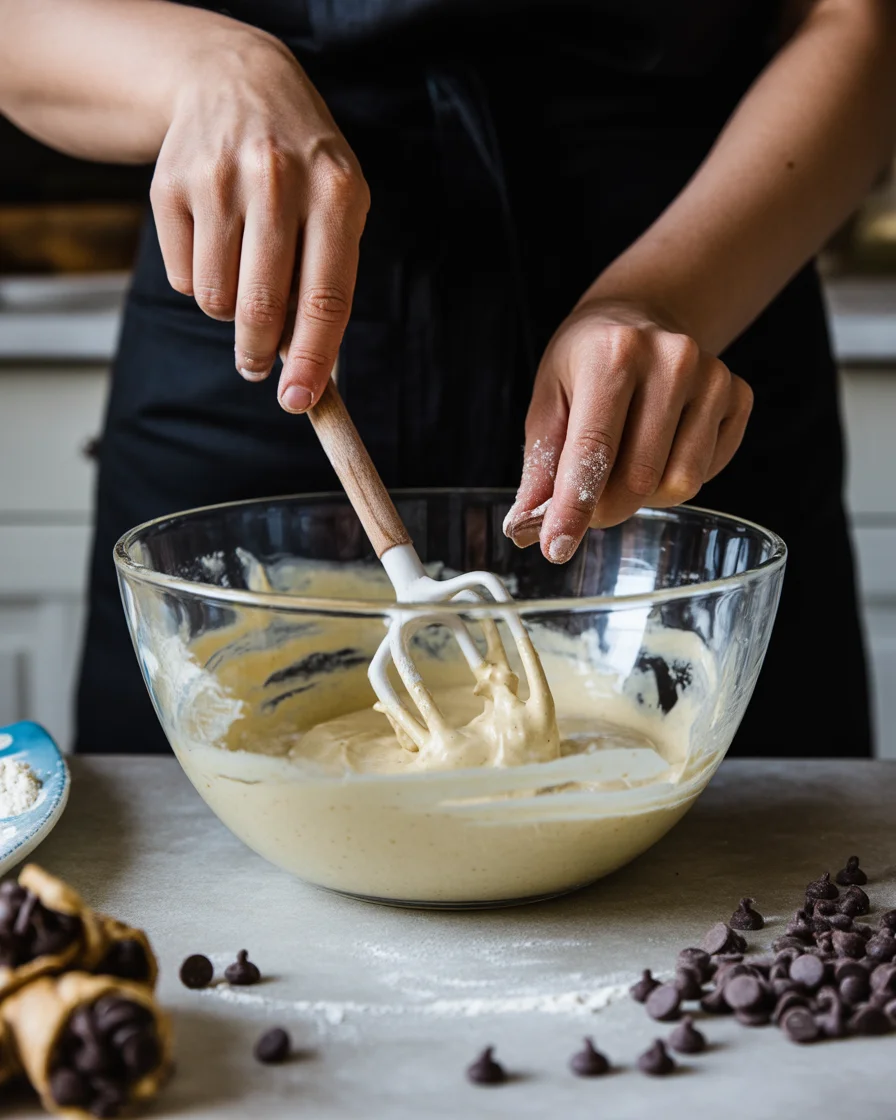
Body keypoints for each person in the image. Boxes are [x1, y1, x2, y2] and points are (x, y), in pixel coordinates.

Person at [1, 0, 893, 758]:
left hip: (695, 302)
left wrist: (664, 301)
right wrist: (209, 66)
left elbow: (856, 20)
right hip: (255, 287)